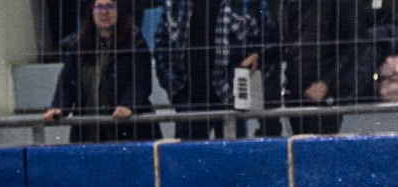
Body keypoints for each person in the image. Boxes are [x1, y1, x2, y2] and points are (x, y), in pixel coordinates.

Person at [153, 0, 276, 139]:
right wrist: (174, 88)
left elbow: (270, 40)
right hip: (188, 98)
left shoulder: (249, 2)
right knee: (189, 157)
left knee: (231, 157)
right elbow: (161, 45)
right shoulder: (175, 3)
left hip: (231, 97)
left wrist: (258, 55)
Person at [43, 0, 161, 143]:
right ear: (91, 10)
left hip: (130, 131)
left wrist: (129, 105)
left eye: (110, 6)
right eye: (99, 6)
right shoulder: (79, 46)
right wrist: (59, 107)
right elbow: (67, 83)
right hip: (88, 134)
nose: (104, 12)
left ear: (119, 10)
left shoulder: (136, 43)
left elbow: (141, 82)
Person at [275, 0, 380, 135]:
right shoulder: (287, 5)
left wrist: (327, 82)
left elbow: (357, 42)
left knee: (321, 144)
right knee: (300, 144)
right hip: (295, 86)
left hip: (326, 89)